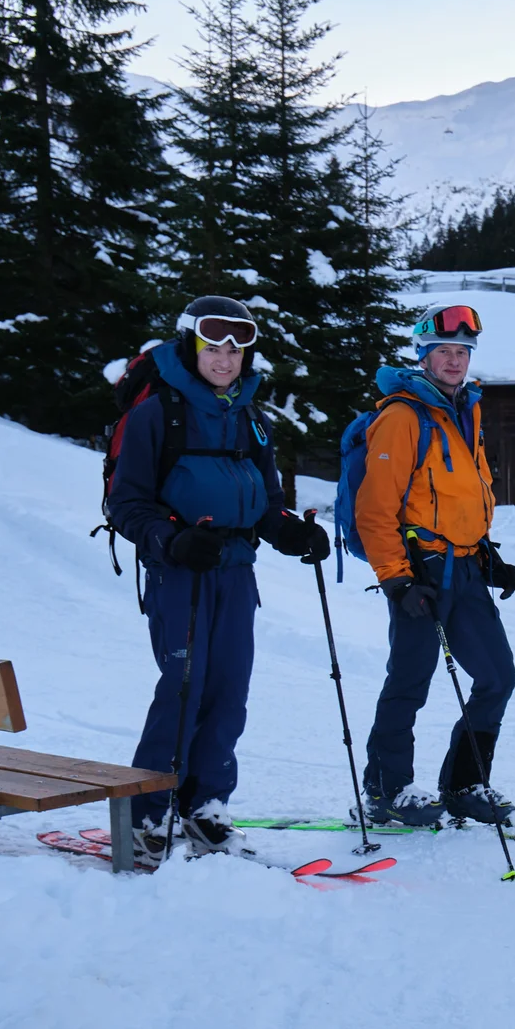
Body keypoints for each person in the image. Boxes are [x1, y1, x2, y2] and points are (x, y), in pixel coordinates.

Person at [108, 295, 332, 865]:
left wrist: (290, 533)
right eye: (214, 347)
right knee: (185, 686)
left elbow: (266, 503)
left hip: (236, 572)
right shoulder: (158, 413)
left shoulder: (252, 420)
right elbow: (126, 504)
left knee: (229, 690)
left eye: (236, 349)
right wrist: (172, 540)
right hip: (179, 572)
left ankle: (205, 804)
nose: (226, 359)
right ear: (192, 346)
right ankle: (147, 811)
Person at [355, 303, 515, 828]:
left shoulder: (464, 410)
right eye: (443, 352)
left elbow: (460, 494)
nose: (454, 361)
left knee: (497, 676)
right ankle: (387, 791)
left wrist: (486, 551)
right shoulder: (402, 417)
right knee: (410, 680)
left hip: (467, 567)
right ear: (423, 356)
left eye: (461, 352)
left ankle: (464, 785)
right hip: (420, 570)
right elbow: (374, 510)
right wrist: (397, 579)